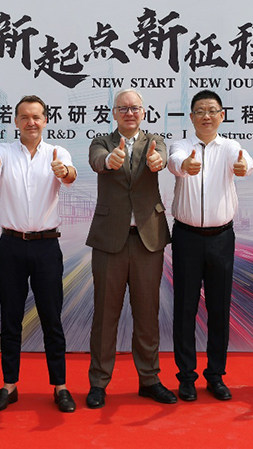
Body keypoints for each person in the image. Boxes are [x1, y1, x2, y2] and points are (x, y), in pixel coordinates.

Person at [0, 95, 77, 413]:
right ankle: (9, 385)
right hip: (11, 246)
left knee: (52, 318)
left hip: (47, 246)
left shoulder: (57, 152)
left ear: (45, 120)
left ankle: (60, 386)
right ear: (16, 121)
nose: (30, 122)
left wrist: (64, 170)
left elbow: (70, 176)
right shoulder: (2, 152)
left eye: (36, 117)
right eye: (24, 117)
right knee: (10, 318)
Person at [86, 88, 175, 408]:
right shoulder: (101, 142)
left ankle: (149, 379)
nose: (129, 113)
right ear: (114, 113)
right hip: (109, 240)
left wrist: (157, 161)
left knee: (147, 313)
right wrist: (110, 160)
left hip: (147, 240)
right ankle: (98, 382)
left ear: (143, 112)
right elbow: (98, 161)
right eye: (123, 108)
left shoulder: (155, 140)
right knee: (105, 314)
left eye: (135, 108)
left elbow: (160, 158)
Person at [166, 90, 253, 402]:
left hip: (221, 239)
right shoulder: (181, 146)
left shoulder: (230, 147)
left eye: (212, 110)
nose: (206, 116)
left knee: (219, 308)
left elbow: (245, 163)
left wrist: (243, 168)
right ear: (191, 117)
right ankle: (186, 377)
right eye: (200, 111)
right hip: (187, 238)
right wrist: (185, 166)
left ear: (221, 116)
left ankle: (215, 375)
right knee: (185, 308)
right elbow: (174, 163)